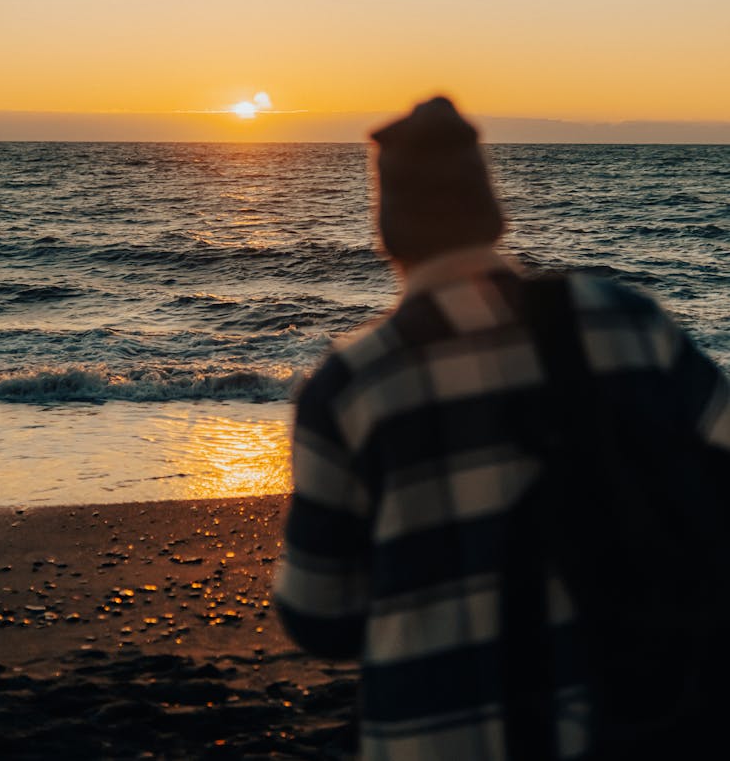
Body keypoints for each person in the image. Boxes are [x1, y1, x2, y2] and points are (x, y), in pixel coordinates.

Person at [273, 97, 730, 760]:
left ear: (387, 227)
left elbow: (319, 618)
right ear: (493, 208)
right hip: (641, 716)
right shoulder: (624, 321)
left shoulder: (352, 386)